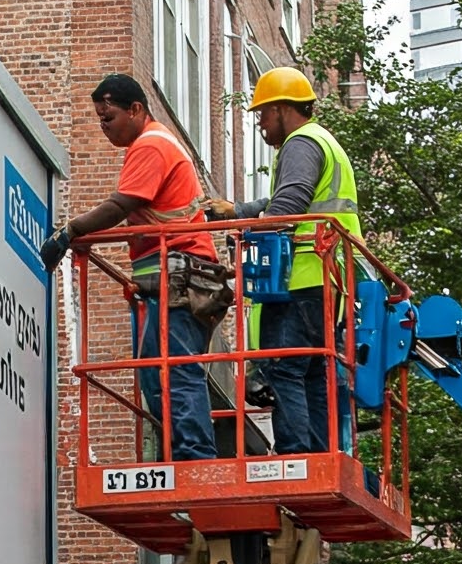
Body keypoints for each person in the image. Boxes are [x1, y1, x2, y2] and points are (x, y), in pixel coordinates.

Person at [38, 76, 218, 463]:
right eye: (100, 120)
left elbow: (120, 206)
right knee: (158, 376)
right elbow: (138, 216)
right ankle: (183, 456)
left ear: (136, 109)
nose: (104, 127)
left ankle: (195, 460)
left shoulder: (150, 144)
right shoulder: (153, 143)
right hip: (177, 278)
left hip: (182, 277)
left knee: (174, 373)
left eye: (109, 117)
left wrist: (70, 231)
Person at [220, 67, 361, 455]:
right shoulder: (323, 143)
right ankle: (319, 455)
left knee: (284, 369)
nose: (261, 124)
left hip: (301, 276)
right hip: (328, 281)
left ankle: (296, 457)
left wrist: (248, 230)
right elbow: (286, 200)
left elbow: (289, 205)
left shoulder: (300, 144)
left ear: (283, 108)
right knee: (313, 372)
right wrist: (238, 211)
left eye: (263, 113)